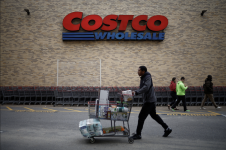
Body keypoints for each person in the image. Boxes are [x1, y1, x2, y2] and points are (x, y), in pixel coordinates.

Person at [130, 66, 172, 140]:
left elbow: (146, 87)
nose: (138, 72)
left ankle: (138, 134)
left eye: (139, 70)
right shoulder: (143, 77)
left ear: (143, 71)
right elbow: (143, 88)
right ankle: (167, 128)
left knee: (141, 117)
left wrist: (136, 92)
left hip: (149, 101)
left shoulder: (147, 77)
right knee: (154, 115)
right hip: (149, 100)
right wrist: (137, 92)